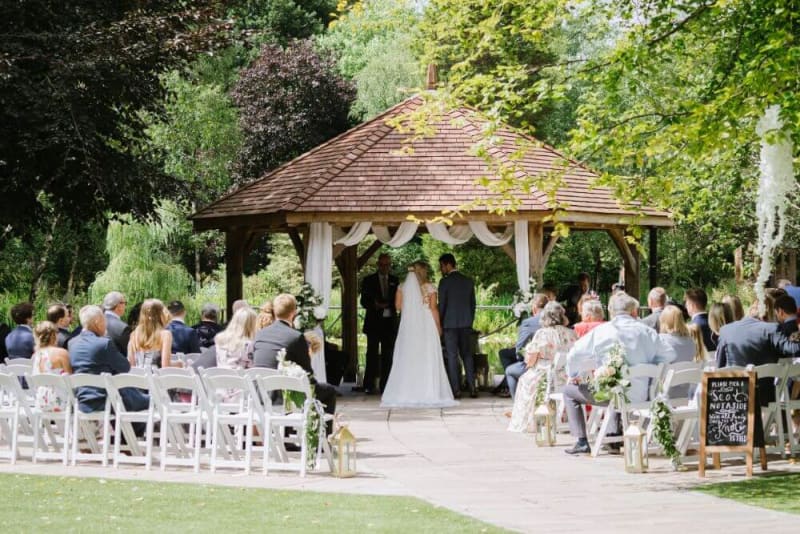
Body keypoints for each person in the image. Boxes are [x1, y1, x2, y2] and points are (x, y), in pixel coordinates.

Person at [562, 293, 677, 454]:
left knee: (569, 391)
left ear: (611, 311)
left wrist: (573, 373)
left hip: (612, 396)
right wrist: (652, 364)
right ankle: (613, 438)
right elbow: (670, 354)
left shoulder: (603, 331)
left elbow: (574, 354)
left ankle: (581, 441)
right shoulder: (647, 331)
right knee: (614, 385)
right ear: (634, 311)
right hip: (643, 395)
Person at [381, 262, 457, 409]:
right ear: (423, 272)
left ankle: (407, 391)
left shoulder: (402, 287)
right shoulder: (430, 287)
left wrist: (411, 307)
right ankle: (429, 390)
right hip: (426, 325)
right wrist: (438, 327)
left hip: (408, 326)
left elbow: (397, 307)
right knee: (427, 356)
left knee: (408, 356)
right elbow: (434, 309)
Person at [251, 294, 336, 415]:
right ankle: (320, 433)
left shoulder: (260, 334)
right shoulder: (296, 337)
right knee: (329, 391)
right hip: (285, 395)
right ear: (293, 313)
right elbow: (307, 373)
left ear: (275, 311)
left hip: (261, 394)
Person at [507, 302, 576, 432]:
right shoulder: (571, 333)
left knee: (524, 380)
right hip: (566, 377)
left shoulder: (542, 334)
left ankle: (531, 419)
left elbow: (530, 359)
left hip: (546, 375)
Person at [716, 301, 800, 406]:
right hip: (766, 396)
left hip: (734, 397)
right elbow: (793, 349)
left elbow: (719, 367)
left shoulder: (725, 330)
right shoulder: (771, 329)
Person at [69, 305, 148, 414]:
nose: (106, 325)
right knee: (148, 400)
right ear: (97, 322)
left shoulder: (72, 343)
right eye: (104, 321)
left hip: (82, 401)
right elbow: (125, 367)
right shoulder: (104, 343)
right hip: (106, 400)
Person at [438, 253, 477, 399]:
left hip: (449, 325)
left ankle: (456, 390)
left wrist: (439, 323)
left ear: (448, 265)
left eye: (442, 266)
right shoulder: (468, 281)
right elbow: (473, 305)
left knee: (453, 357)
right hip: (466, 324)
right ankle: (473, 387)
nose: (441, 269)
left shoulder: (444, 282)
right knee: (467, 355)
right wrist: (469, 321)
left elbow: (442, 305)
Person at [359, 253, 399, 394]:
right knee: (372, 354)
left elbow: (399, 300)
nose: (385, 268)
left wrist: (389, 305)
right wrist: (375, 305)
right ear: (378, 265)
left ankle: (386, 384)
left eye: (387, 265)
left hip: (389, 323)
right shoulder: (368, 280)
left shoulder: (395, 280)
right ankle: (369, 385)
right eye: (382, 265)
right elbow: (363, 301)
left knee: (388, 355)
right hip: (374, 322)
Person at [500, 293, 549, 398]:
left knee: (510, 370)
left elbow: (519, 349)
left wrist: (521, 358)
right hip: (554, 367)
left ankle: (518, 407)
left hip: (536, 366)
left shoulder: (528, 322)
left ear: (534, 307)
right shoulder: (558, 322)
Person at [658, 306, 702, 398]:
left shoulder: (661, 340)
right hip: (686, 392)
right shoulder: (691, 342)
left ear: (664, 322)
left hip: (665, 393)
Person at [31, 321, 72, 411]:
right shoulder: (61, 353)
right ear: (53, 335)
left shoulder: (35, 355)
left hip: (41, 402)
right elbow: (70, 379)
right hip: (60, 402)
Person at [127, 299, 176, 369]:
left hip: (138, 377)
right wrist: (179, 364)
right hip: (155, 377)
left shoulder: (134, 335)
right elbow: (165, 366)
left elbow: (131, 365)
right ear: (160, 315)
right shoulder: (165, 335)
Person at [684, 288, 715, 352]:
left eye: (687, 304)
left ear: (692, 305)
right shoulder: (716, 322)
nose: (686, 307)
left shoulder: (690, 327)